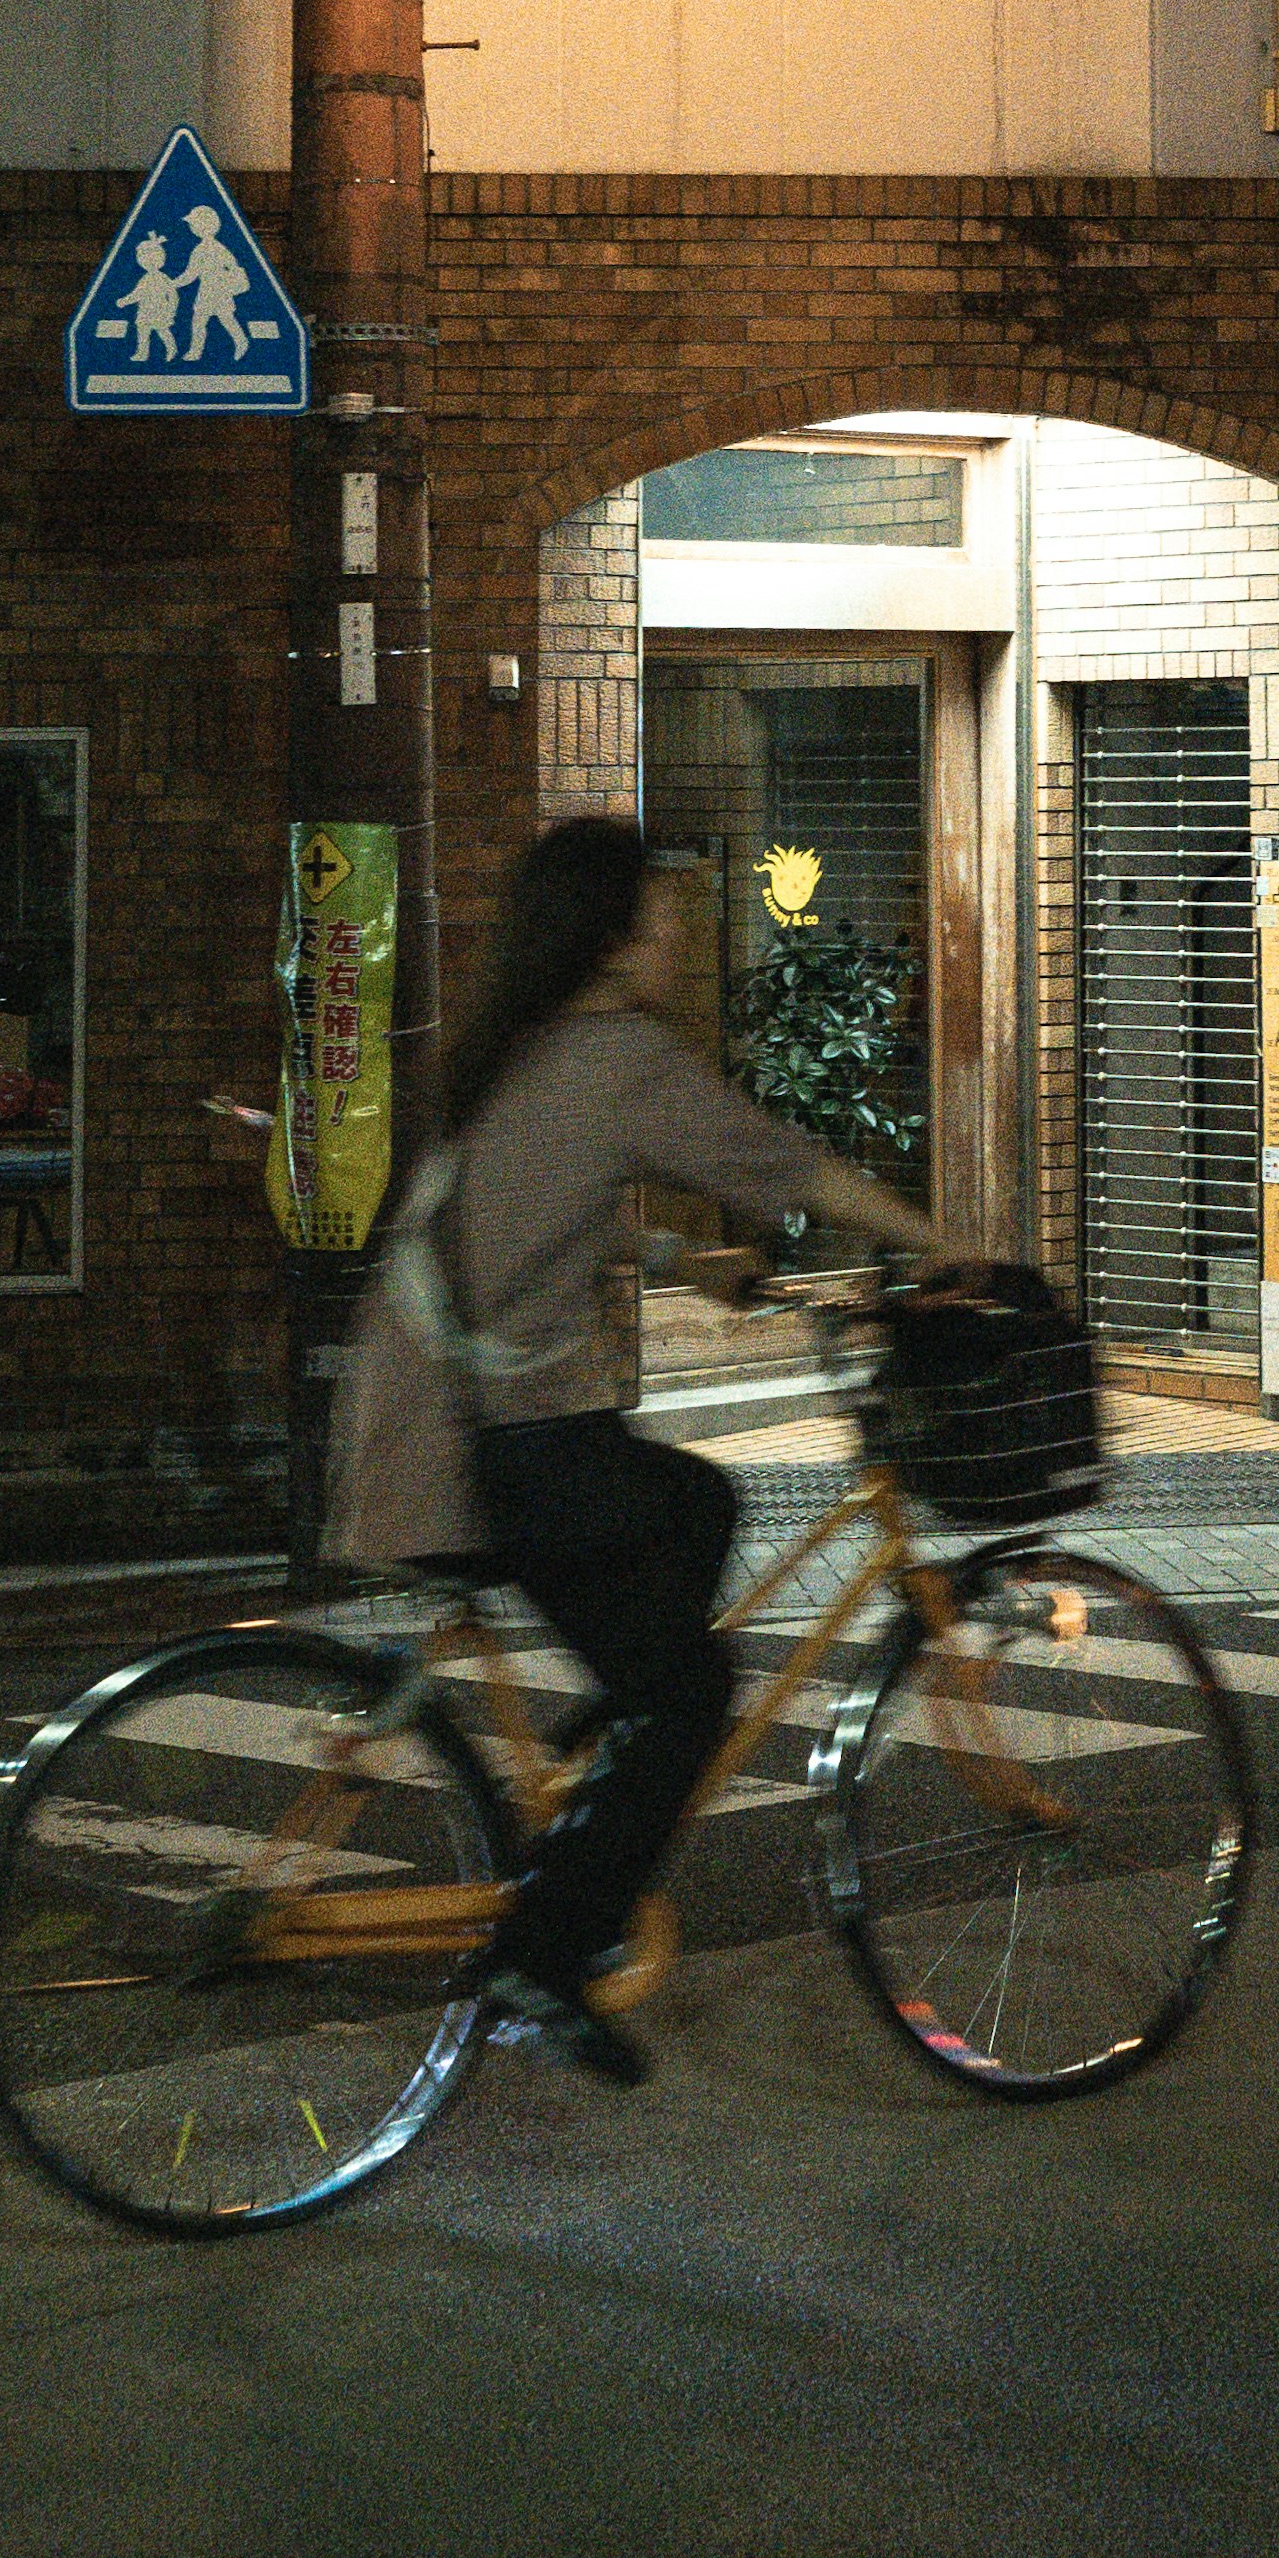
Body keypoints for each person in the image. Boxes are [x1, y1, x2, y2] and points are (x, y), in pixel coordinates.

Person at [324, 815, 948, 2088]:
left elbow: (535, 1206)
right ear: (611, 939)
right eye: (661, 916)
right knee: (693, 1692)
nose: (678, 934)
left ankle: (605, 1741)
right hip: (504, 1437)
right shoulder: (617, 1053)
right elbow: (786, 1164)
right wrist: (947, 1243)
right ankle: (544, 1957)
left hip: (455, 1416)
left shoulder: (523, 1045)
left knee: (699, 1500)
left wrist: (678, 1257)